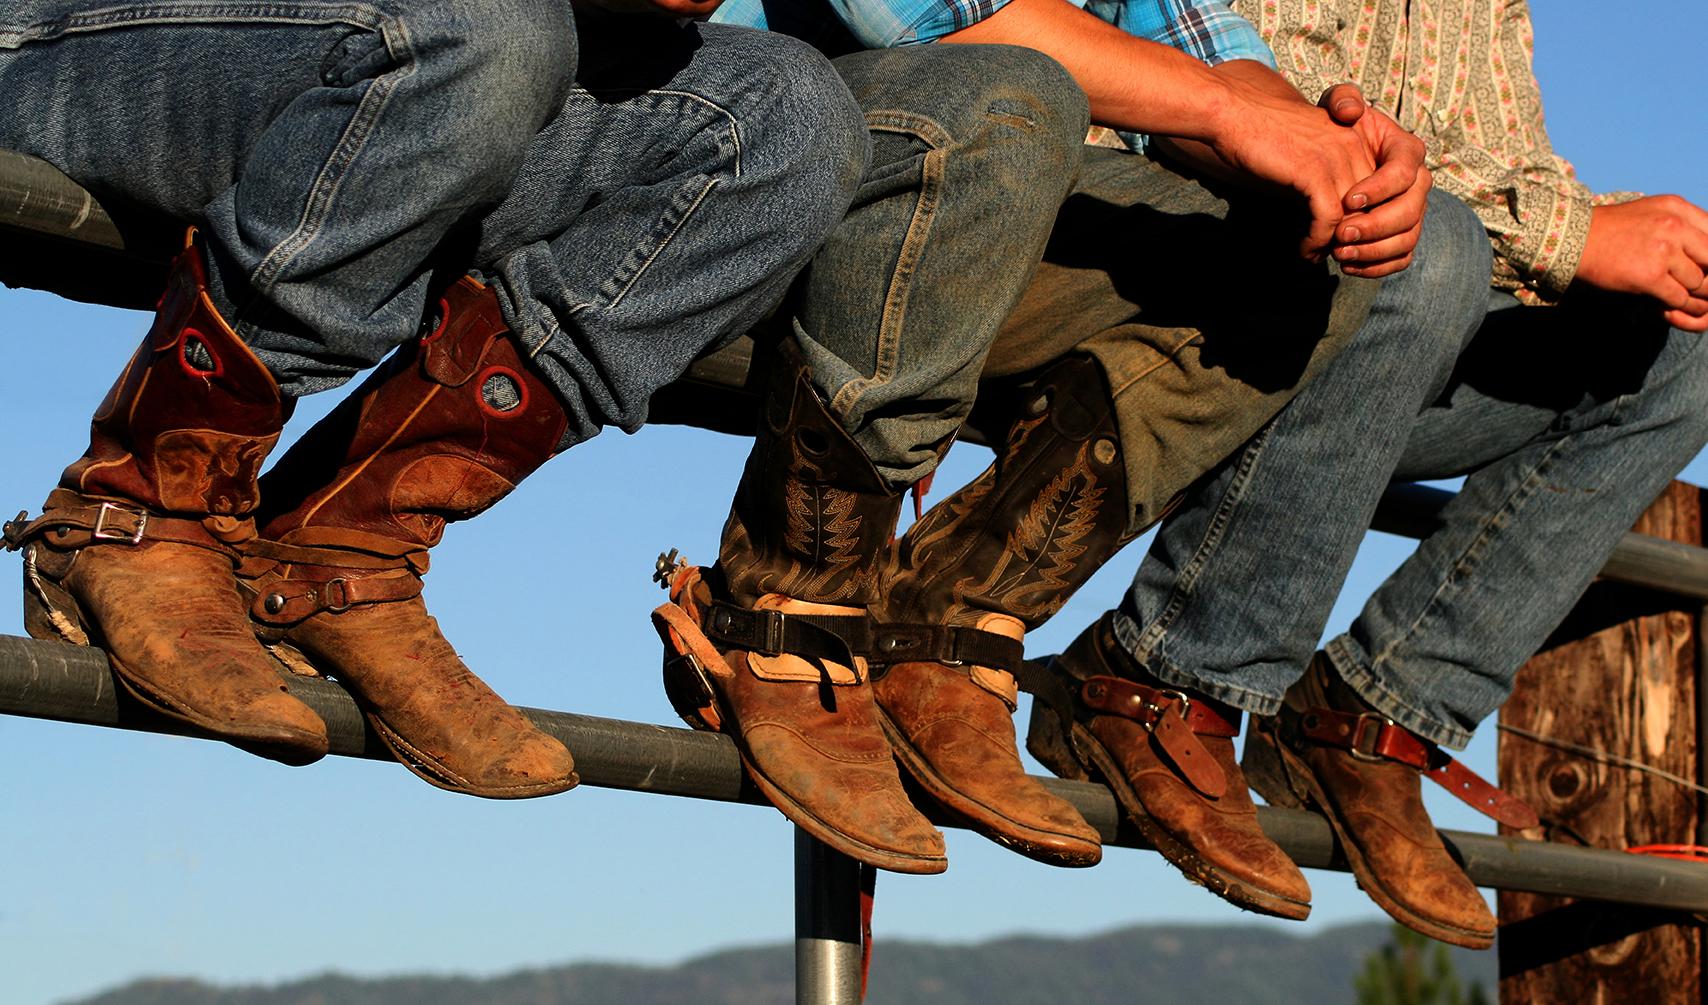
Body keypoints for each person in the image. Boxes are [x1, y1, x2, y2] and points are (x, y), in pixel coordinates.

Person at [653, 0, 1449, 884]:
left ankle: (950, 621)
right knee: (1013, 96)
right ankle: (786, 608)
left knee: (1319, 239)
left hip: (970, 200)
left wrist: (1324, 151)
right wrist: (1227, 109)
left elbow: (1197, 40)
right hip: (744, 169)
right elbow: (939, 25)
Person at [1, 0, 869, 797]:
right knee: (495, 30)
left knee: (792, 119)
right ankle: (143, 501)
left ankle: (339, 548)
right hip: (81, 32)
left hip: (436, 44)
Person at [1036, 0, 1708, 947]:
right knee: (1427, 249)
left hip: (1377, 345)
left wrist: (1623, 244)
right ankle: (1161, 676)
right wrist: (1579, 232)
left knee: (1683, 347)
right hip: (1174, 295)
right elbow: (1297, 132)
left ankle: (1372, 713)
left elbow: (1507, 166)